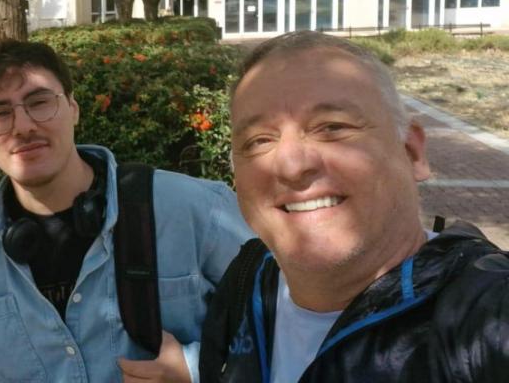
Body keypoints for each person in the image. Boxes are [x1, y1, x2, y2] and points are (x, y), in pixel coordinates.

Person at [200, 31, 509, 382]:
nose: (290, 164)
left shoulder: (485, 318)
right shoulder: (249, 278)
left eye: (332, 127)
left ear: (412, 152)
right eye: (259, 141)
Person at [0, 40, 253, 383]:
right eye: (0, 113)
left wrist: (197, 369)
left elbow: (281, 317)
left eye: (39, 102)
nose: (23, 125)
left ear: (74, 108)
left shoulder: (195, 209)